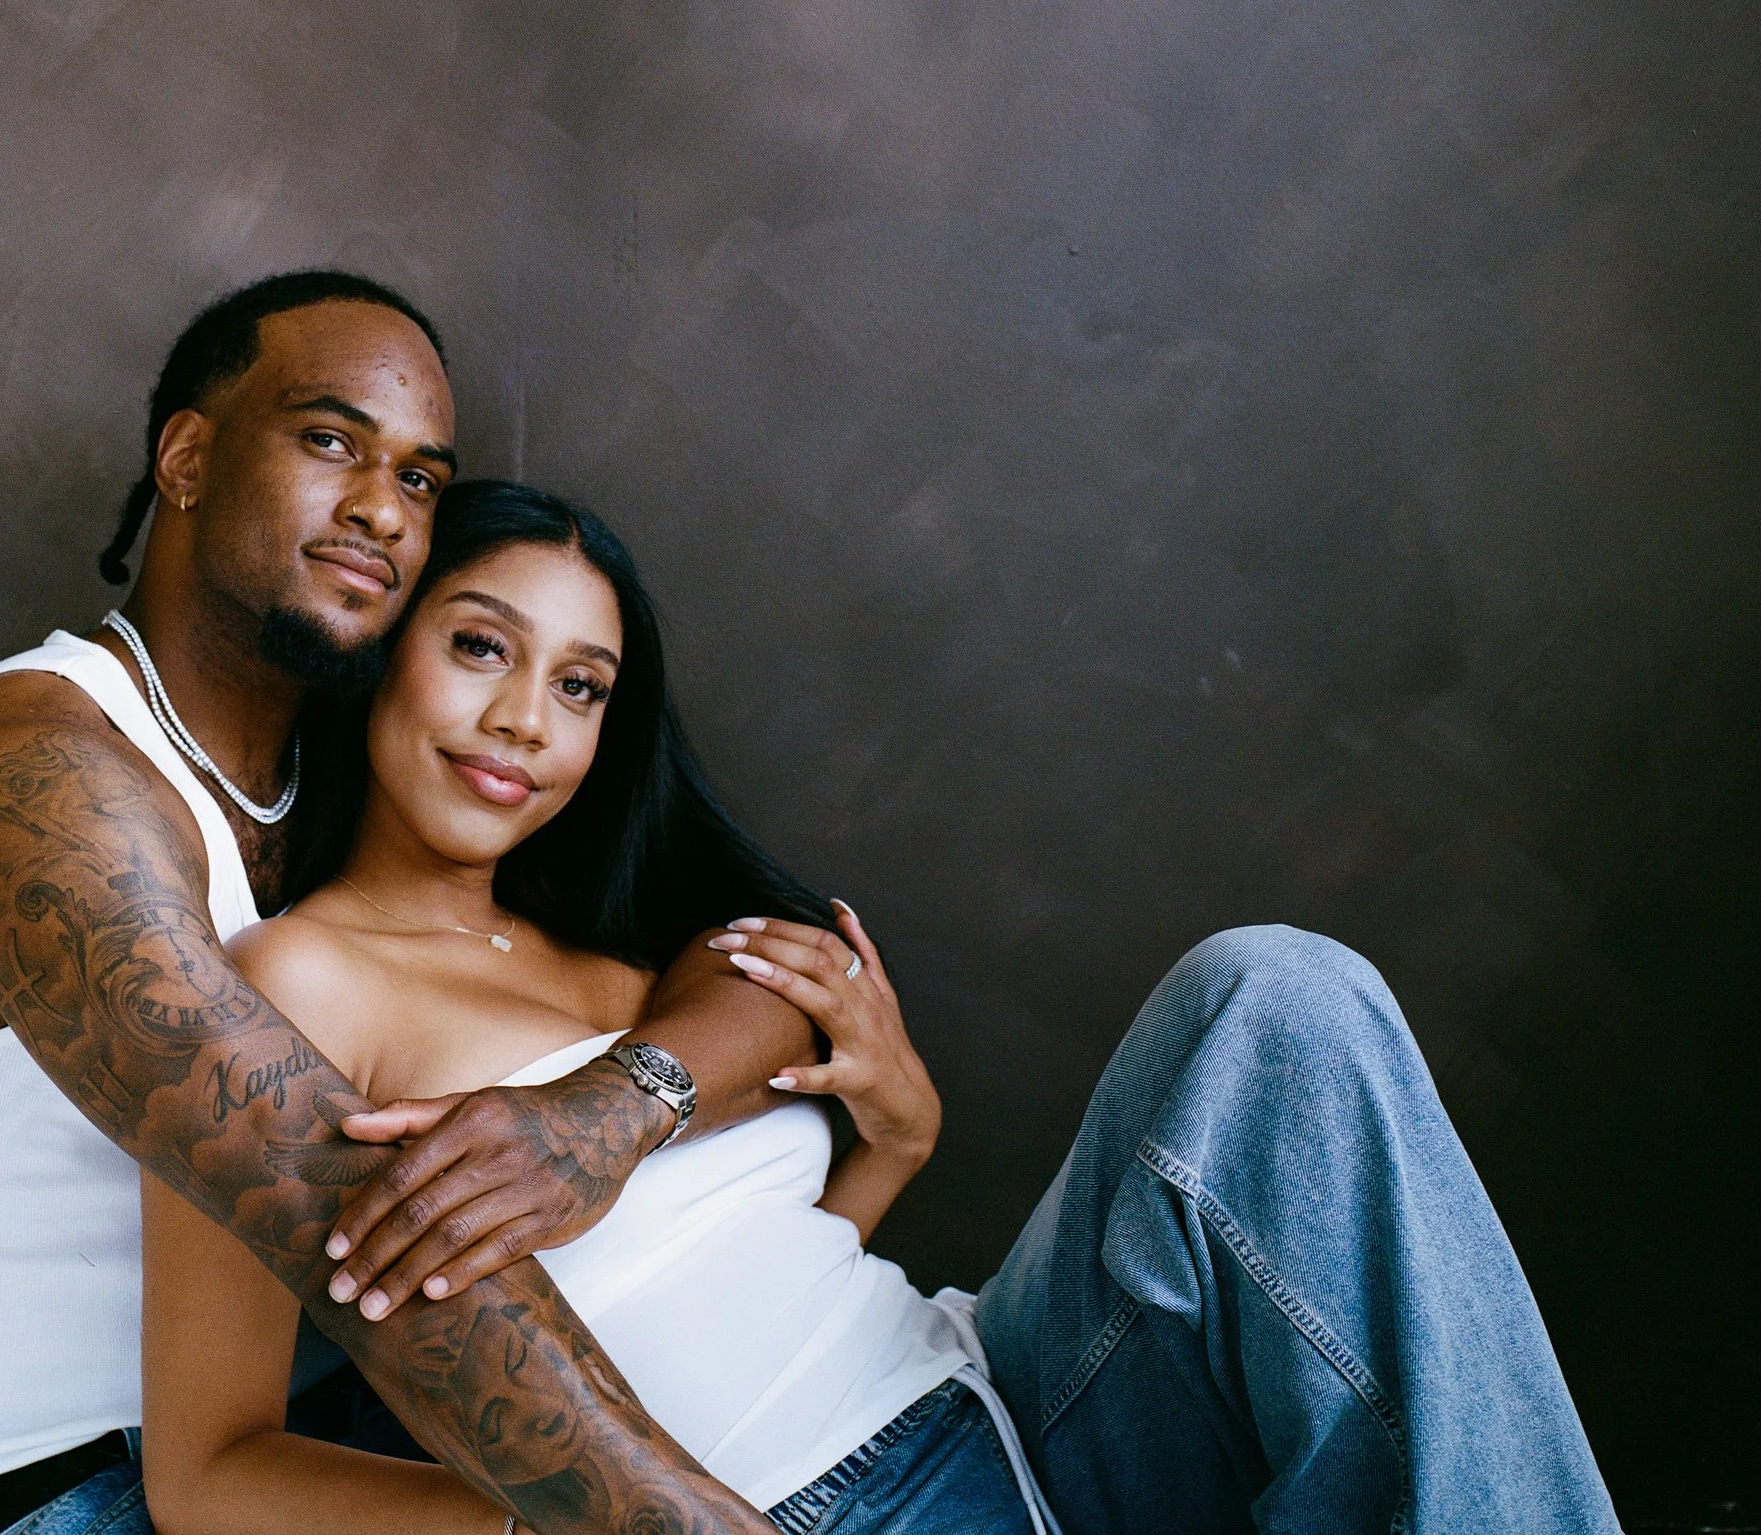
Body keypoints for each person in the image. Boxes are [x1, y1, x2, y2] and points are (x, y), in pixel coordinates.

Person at [141, 479, 1626, 1535]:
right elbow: (207, 1471)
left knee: (1279, 994)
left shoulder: (629, 955)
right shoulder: (294, 987)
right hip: (782, 1509)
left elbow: (720, 1268)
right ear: (383, 647)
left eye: (583, 685)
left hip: (1016, 1407)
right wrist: (569, 1516)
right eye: (481, 645)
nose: (529, 719)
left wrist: (885, 1152)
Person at [0, 272, 814, 1535]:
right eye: (329, 440)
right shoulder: (48, 777)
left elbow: (741, 954)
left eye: (418, 477)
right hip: (62, 1495)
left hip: (325, 1444)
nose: (380, 508)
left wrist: (618, 1106)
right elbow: (365, 1225)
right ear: (186, 457)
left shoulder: (350, 788)